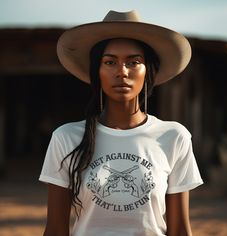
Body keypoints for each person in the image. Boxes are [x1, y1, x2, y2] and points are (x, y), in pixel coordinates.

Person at [39, 10, 203, 236]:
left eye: (134, 62)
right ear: (97, 71)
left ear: (148, 71)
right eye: (109, 62)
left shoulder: (173, 136)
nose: (122, 72)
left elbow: (180, 229)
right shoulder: (66, 138)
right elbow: (56, 229)